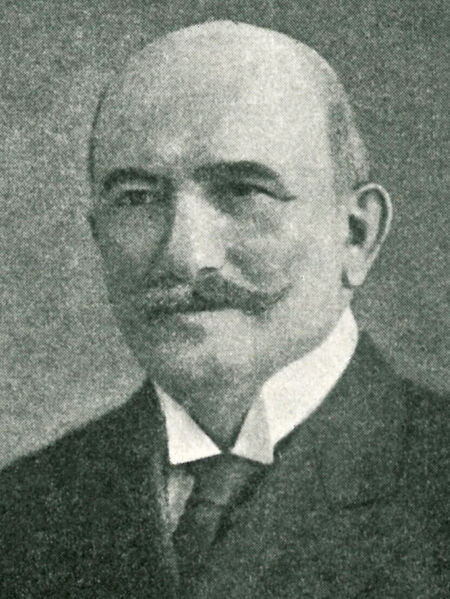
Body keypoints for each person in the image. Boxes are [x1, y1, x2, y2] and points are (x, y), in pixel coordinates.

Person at [0, 21, 447, 598]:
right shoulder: (21, 510)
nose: (186, 256)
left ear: (356, 234)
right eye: (136, 198)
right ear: (98, 234)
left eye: (243, 191)